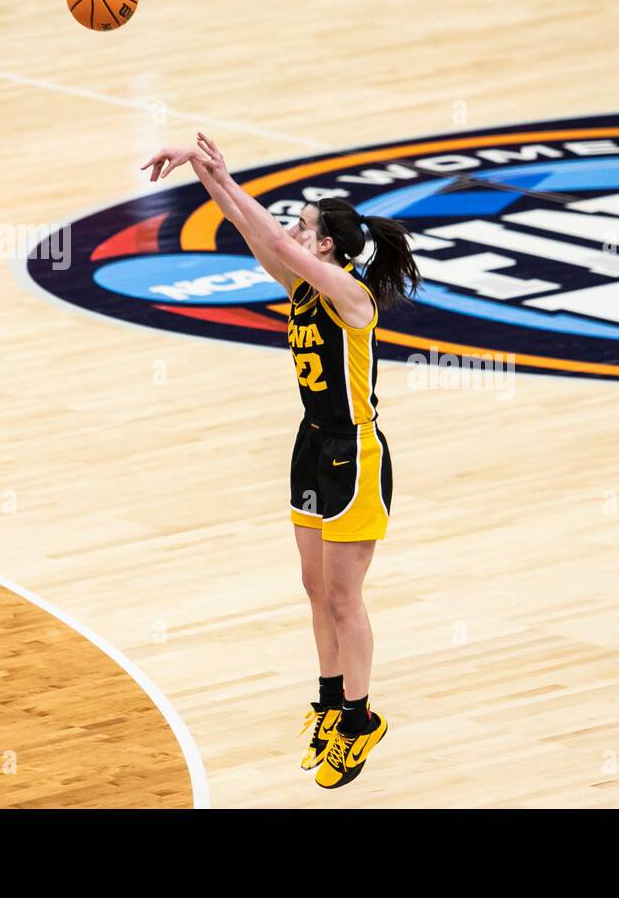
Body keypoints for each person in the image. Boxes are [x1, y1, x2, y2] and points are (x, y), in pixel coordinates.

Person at [141, 135, 419, 788]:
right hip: (311, 444)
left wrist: (226, 180)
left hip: (355, 453)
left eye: (305, 225)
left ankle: (358, 720)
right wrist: (211, 177)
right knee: (315, 588)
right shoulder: (300, 283)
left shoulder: (353, 299)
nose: (294, 230)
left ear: (327, 246)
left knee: (346, 597)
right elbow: (253, 231)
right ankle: (328, 702)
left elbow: (278, 241)